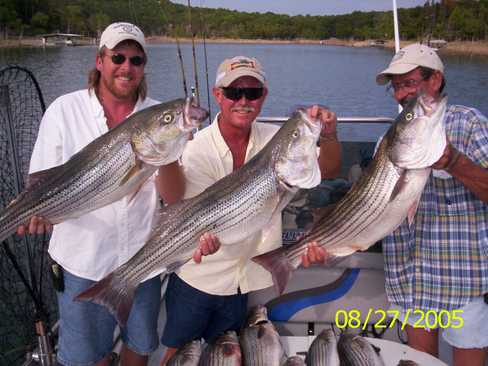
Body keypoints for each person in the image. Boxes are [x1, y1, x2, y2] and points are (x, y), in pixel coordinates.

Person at [17, 22, 218, 366]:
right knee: (83, 357)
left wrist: (168, 153)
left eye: (136, 60)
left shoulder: (156, 114)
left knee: (140, 346)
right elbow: (41, 181)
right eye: (118, 57)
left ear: (143, 66)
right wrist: (33, 212)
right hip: (83, 261)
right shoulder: (64, 110)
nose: (127, 67)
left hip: (142, 260)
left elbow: (173, 195)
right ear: (100, 61)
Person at [157, 55, 342, 365]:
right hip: (198, 277)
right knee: (178, 355)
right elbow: (181, 207)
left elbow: (331, 168)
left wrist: (329, 134)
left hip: (247, 278)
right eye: (233, 92)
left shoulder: (277, 139)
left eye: (253, 93)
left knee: (228, 356)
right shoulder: (196, 149)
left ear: (264, 96)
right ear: (218, 96)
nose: (243, 101)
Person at [374, 43, 488, 365]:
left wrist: (453, 162)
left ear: (435, 80)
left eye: (408, 83)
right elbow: (376, 209)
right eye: (396, 87)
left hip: (462, 285)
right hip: (410, 281)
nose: (400, 94)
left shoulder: (469, 125)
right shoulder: (387, 141)